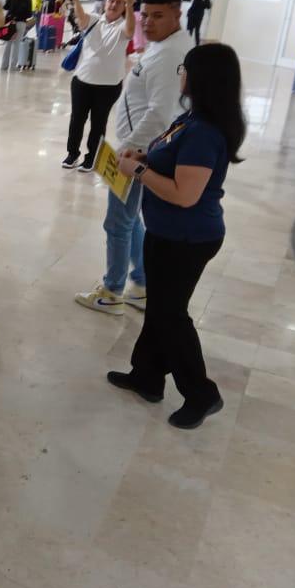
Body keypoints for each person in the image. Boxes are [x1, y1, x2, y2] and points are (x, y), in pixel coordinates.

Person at [110, 43, 245, 429]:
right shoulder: (190, 119)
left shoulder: (204, 133)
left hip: (187, 238)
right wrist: (144, 159)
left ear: (201, 78)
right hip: (166, 232)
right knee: (161, 308)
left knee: (171, 315)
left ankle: (202, 393)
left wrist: (136, 172)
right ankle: (147, 376)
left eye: (185, 68)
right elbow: (169, 165)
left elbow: (185, 195)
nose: (180, 73)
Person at [75, 0, 189, 316]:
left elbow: (160, 111)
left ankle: (112, 290)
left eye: (159, 16)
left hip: (140, 152)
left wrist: (129, 149)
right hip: (140, 148)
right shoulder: (163, 46)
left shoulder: (170, 54)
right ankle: (140, 283)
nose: (149, 23)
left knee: (118, 222)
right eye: (146, 15)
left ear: (177, 14)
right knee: (130, 219)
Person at [63, 0, 136, 172]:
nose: (113, 5)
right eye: (111, 1)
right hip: (82, 80)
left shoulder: (123, 26)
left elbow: (130, 31)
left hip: (108, 85)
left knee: (99, 122)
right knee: (77, 119)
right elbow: (80, 17)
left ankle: (92, 157)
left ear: (123, 7)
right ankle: (72, 153)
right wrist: (76, 0)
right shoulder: (94, 20)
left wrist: (130, 5)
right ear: (105, 3)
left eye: (119, 3)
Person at [0, 0, 35, 71]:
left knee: (8, 43)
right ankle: (12, 66)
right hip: (21, 23)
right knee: (17, 45)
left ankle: (3, 65)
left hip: (10, 22)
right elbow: (29, 14)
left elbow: (5, 6)